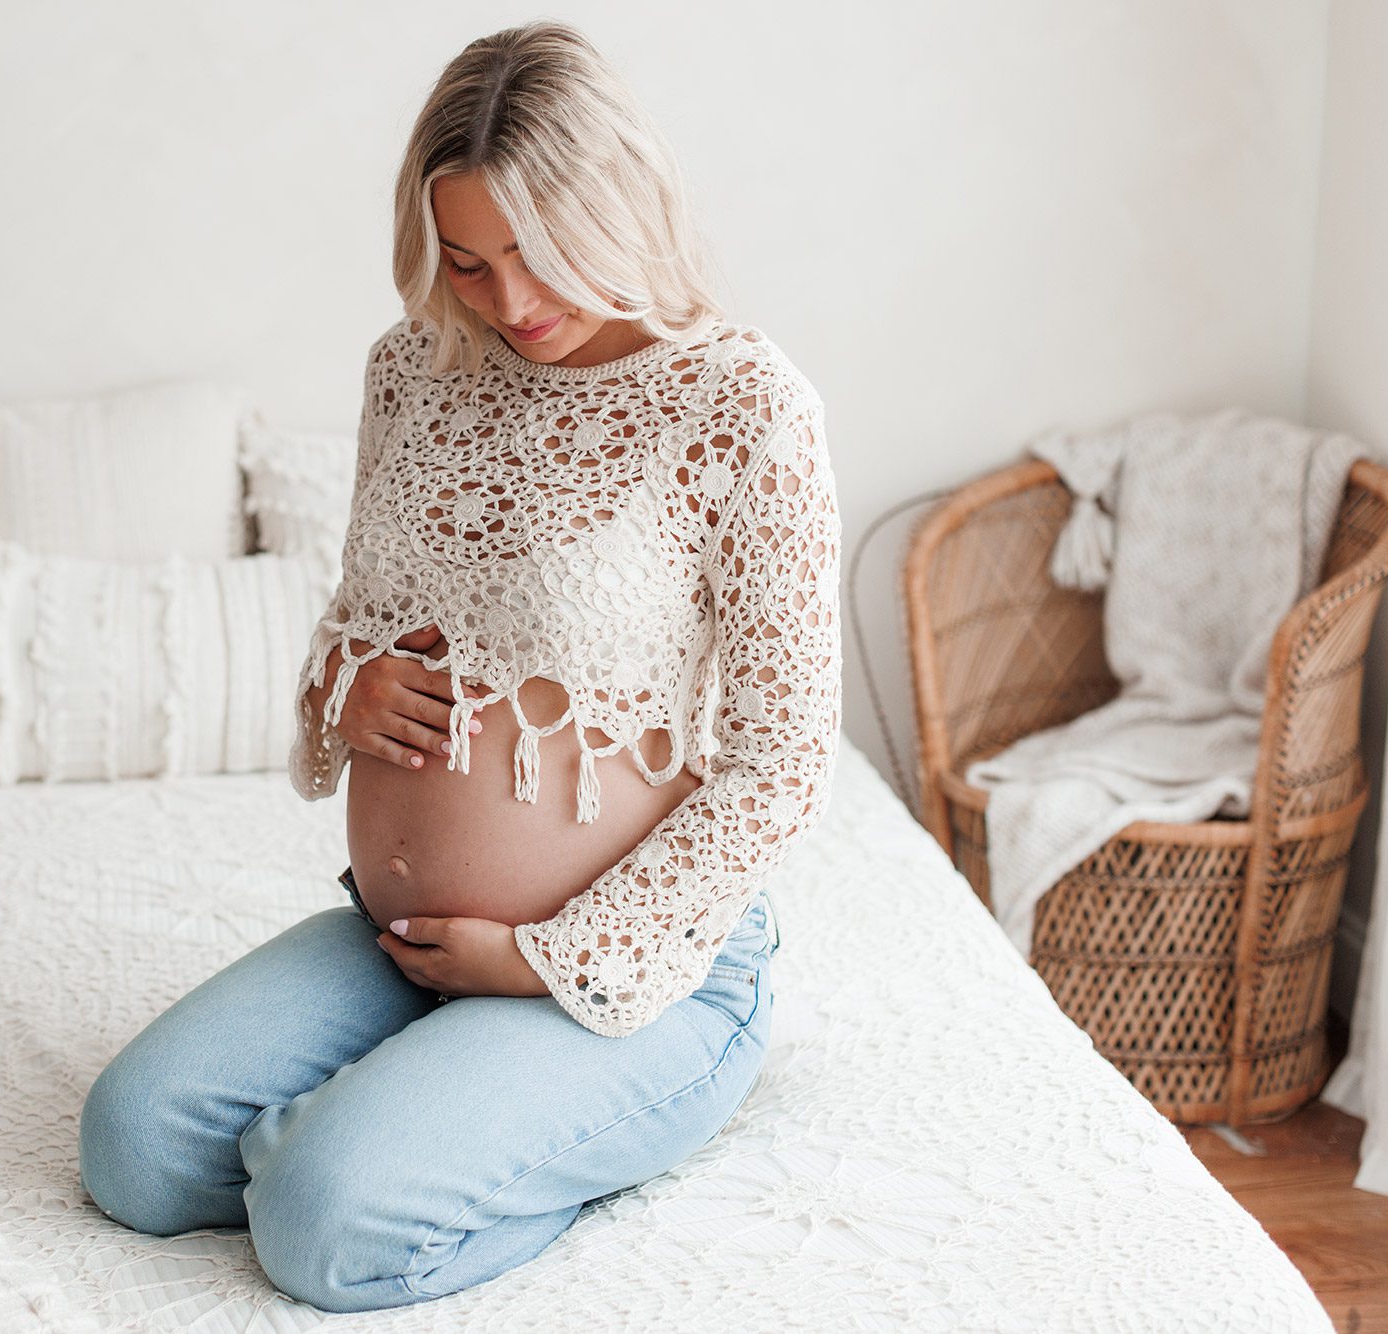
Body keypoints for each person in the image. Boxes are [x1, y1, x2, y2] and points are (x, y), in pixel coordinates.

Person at [78, 19, 841, 1313]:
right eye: (468, 263)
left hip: (633, 974)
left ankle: (472, 1134)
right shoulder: (417, 373)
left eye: (539, 258)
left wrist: (545, 959)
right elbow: (355, 627)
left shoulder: (744, 404)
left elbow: (782, 764)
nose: (509, 304)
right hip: (407, 941)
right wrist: (349, 690)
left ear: (618, 209)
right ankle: (421, 1113)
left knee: (323, 1227)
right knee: (132, 1147)